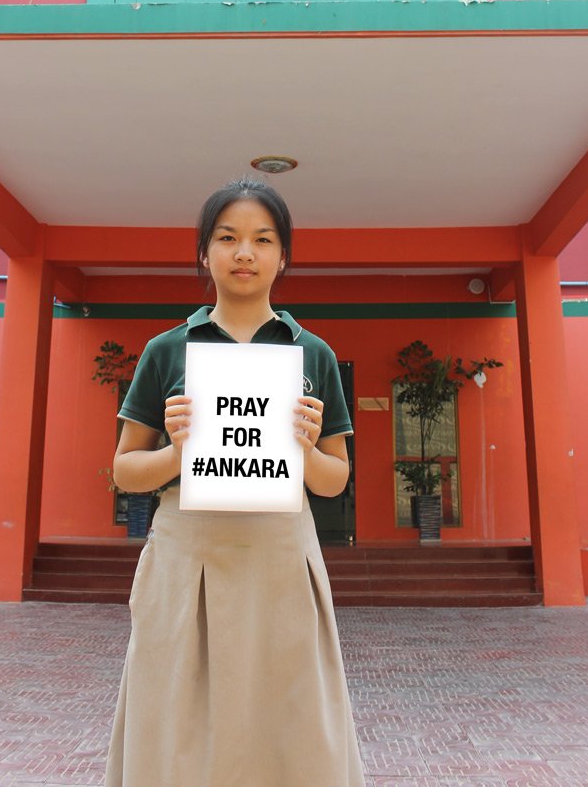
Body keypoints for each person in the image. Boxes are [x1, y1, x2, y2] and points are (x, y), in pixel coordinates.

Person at [104, 178, 366, 787]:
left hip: (280, 559)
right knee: (177, 717)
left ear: (283, 257)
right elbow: (124, 469)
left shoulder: (313, 354)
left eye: (261, 239)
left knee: (291, 716)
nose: (244, 253)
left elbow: (334, 480)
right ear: (204, 254)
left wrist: (301, 450)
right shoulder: (167, 351)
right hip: (186, 557)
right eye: (227, 238)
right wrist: (176, 451)